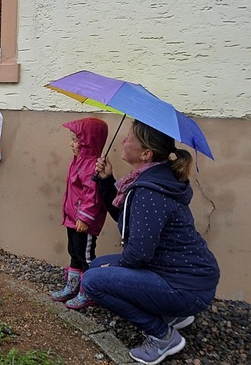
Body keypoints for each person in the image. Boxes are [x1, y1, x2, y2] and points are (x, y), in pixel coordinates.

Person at [84, 120, 220, 364]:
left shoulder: (150, 191)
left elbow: (139, 254)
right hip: (183, 275)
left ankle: (162, 336)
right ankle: (173, 315)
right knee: (97, 268)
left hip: (186, 286)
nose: (124, 141)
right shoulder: (153, 178)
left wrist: (114, 269)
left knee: (93, 282)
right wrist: (106, 180)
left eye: (129, 138)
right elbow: (127, 220)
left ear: (146, 154)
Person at [50, 117, 108, 310]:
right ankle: (72, 286)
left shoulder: (93, 166)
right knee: (74, 252)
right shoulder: (78, 162)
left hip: (83, 223)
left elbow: (92, 196)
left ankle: (89, 291)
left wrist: (85, 218)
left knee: (86, 256)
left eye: (75, 140)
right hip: (72, 219)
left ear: (87, 143)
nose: (71, 143)